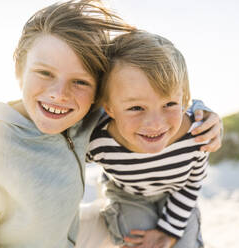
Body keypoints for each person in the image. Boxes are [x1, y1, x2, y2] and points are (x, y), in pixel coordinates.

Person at [0, 1, 222, 248]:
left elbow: (156, 100)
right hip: (120, 201)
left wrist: (201, 111)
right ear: (19, 69)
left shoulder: (86, 119)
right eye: (44, 72)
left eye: (81, 82)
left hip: (83, 230)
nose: (59, 94)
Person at [84, 30, 220, 248]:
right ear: (109, 108)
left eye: (169, 104)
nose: (155, 124)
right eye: (136, 107)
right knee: (139, 241)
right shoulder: (98, 141)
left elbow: (192, 182)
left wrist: (170, 230)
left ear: (184, 99)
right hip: (128, 194)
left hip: (177, 193)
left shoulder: (196, 134)